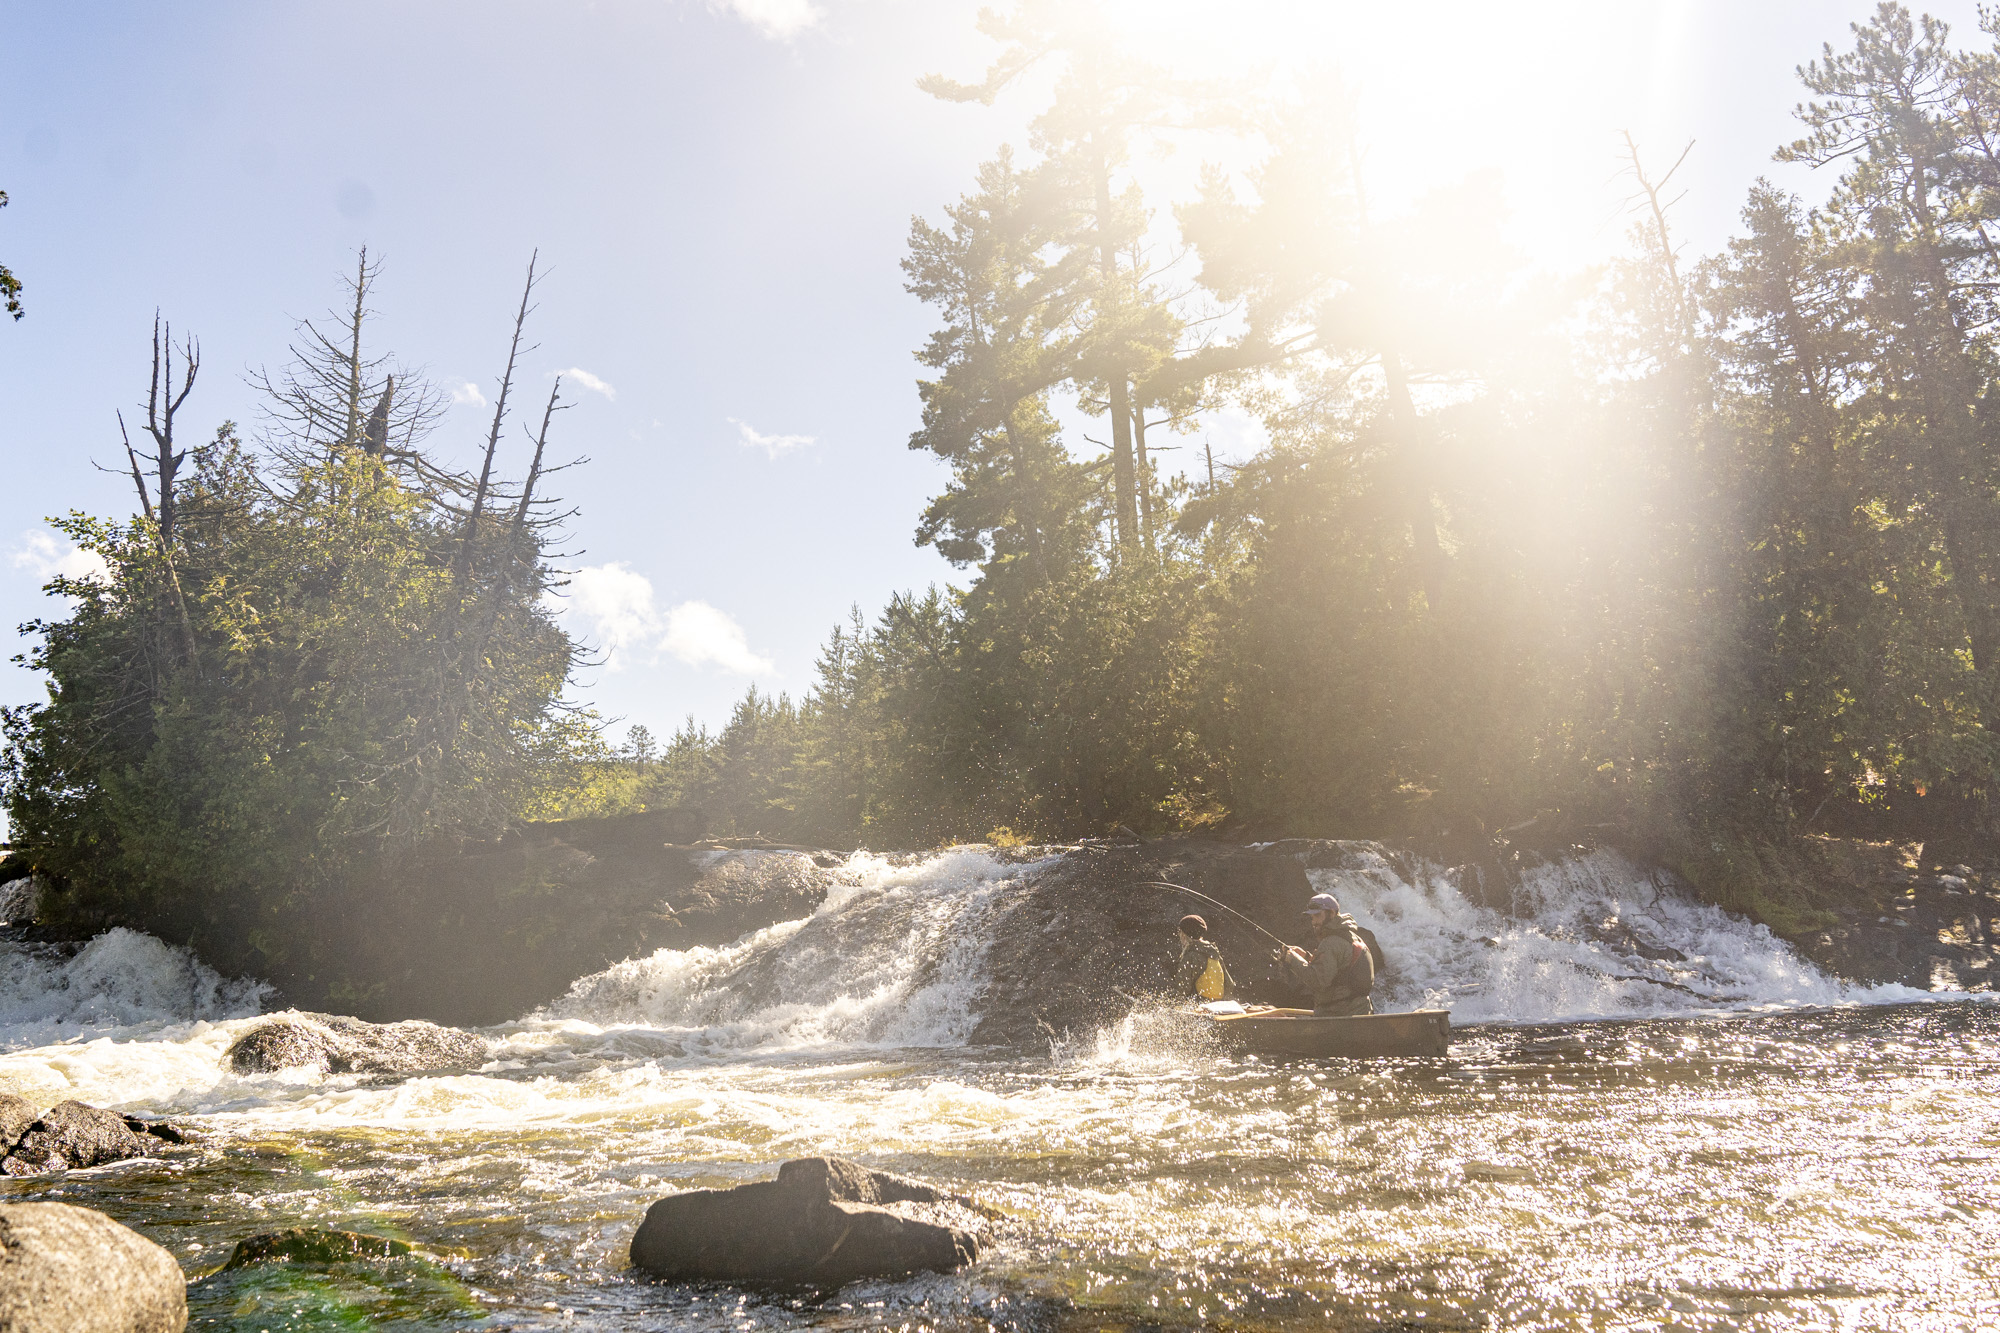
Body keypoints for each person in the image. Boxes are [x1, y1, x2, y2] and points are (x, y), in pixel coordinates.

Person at [1276, 892, 1375, 1015]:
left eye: (1318, 915)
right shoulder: (1352, 937)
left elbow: (1318, 981)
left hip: (1339, 1014)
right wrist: (1306, 957)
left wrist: (1292, 959)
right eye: (1312, 918)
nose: (1314, 922)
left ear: (1332, 913)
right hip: (1361, 1011)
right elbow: (1337, 970)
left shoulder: (1330, 943)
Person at [1173, 914, 1233, 1001]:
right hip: (1218, 1004)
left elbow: (1182, 988)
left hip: (1201, 1005)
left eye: (1179, 931)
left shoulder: (1191, 956)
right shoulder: (1213, 952)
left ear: (1184, 934)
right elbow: (1229, 984)